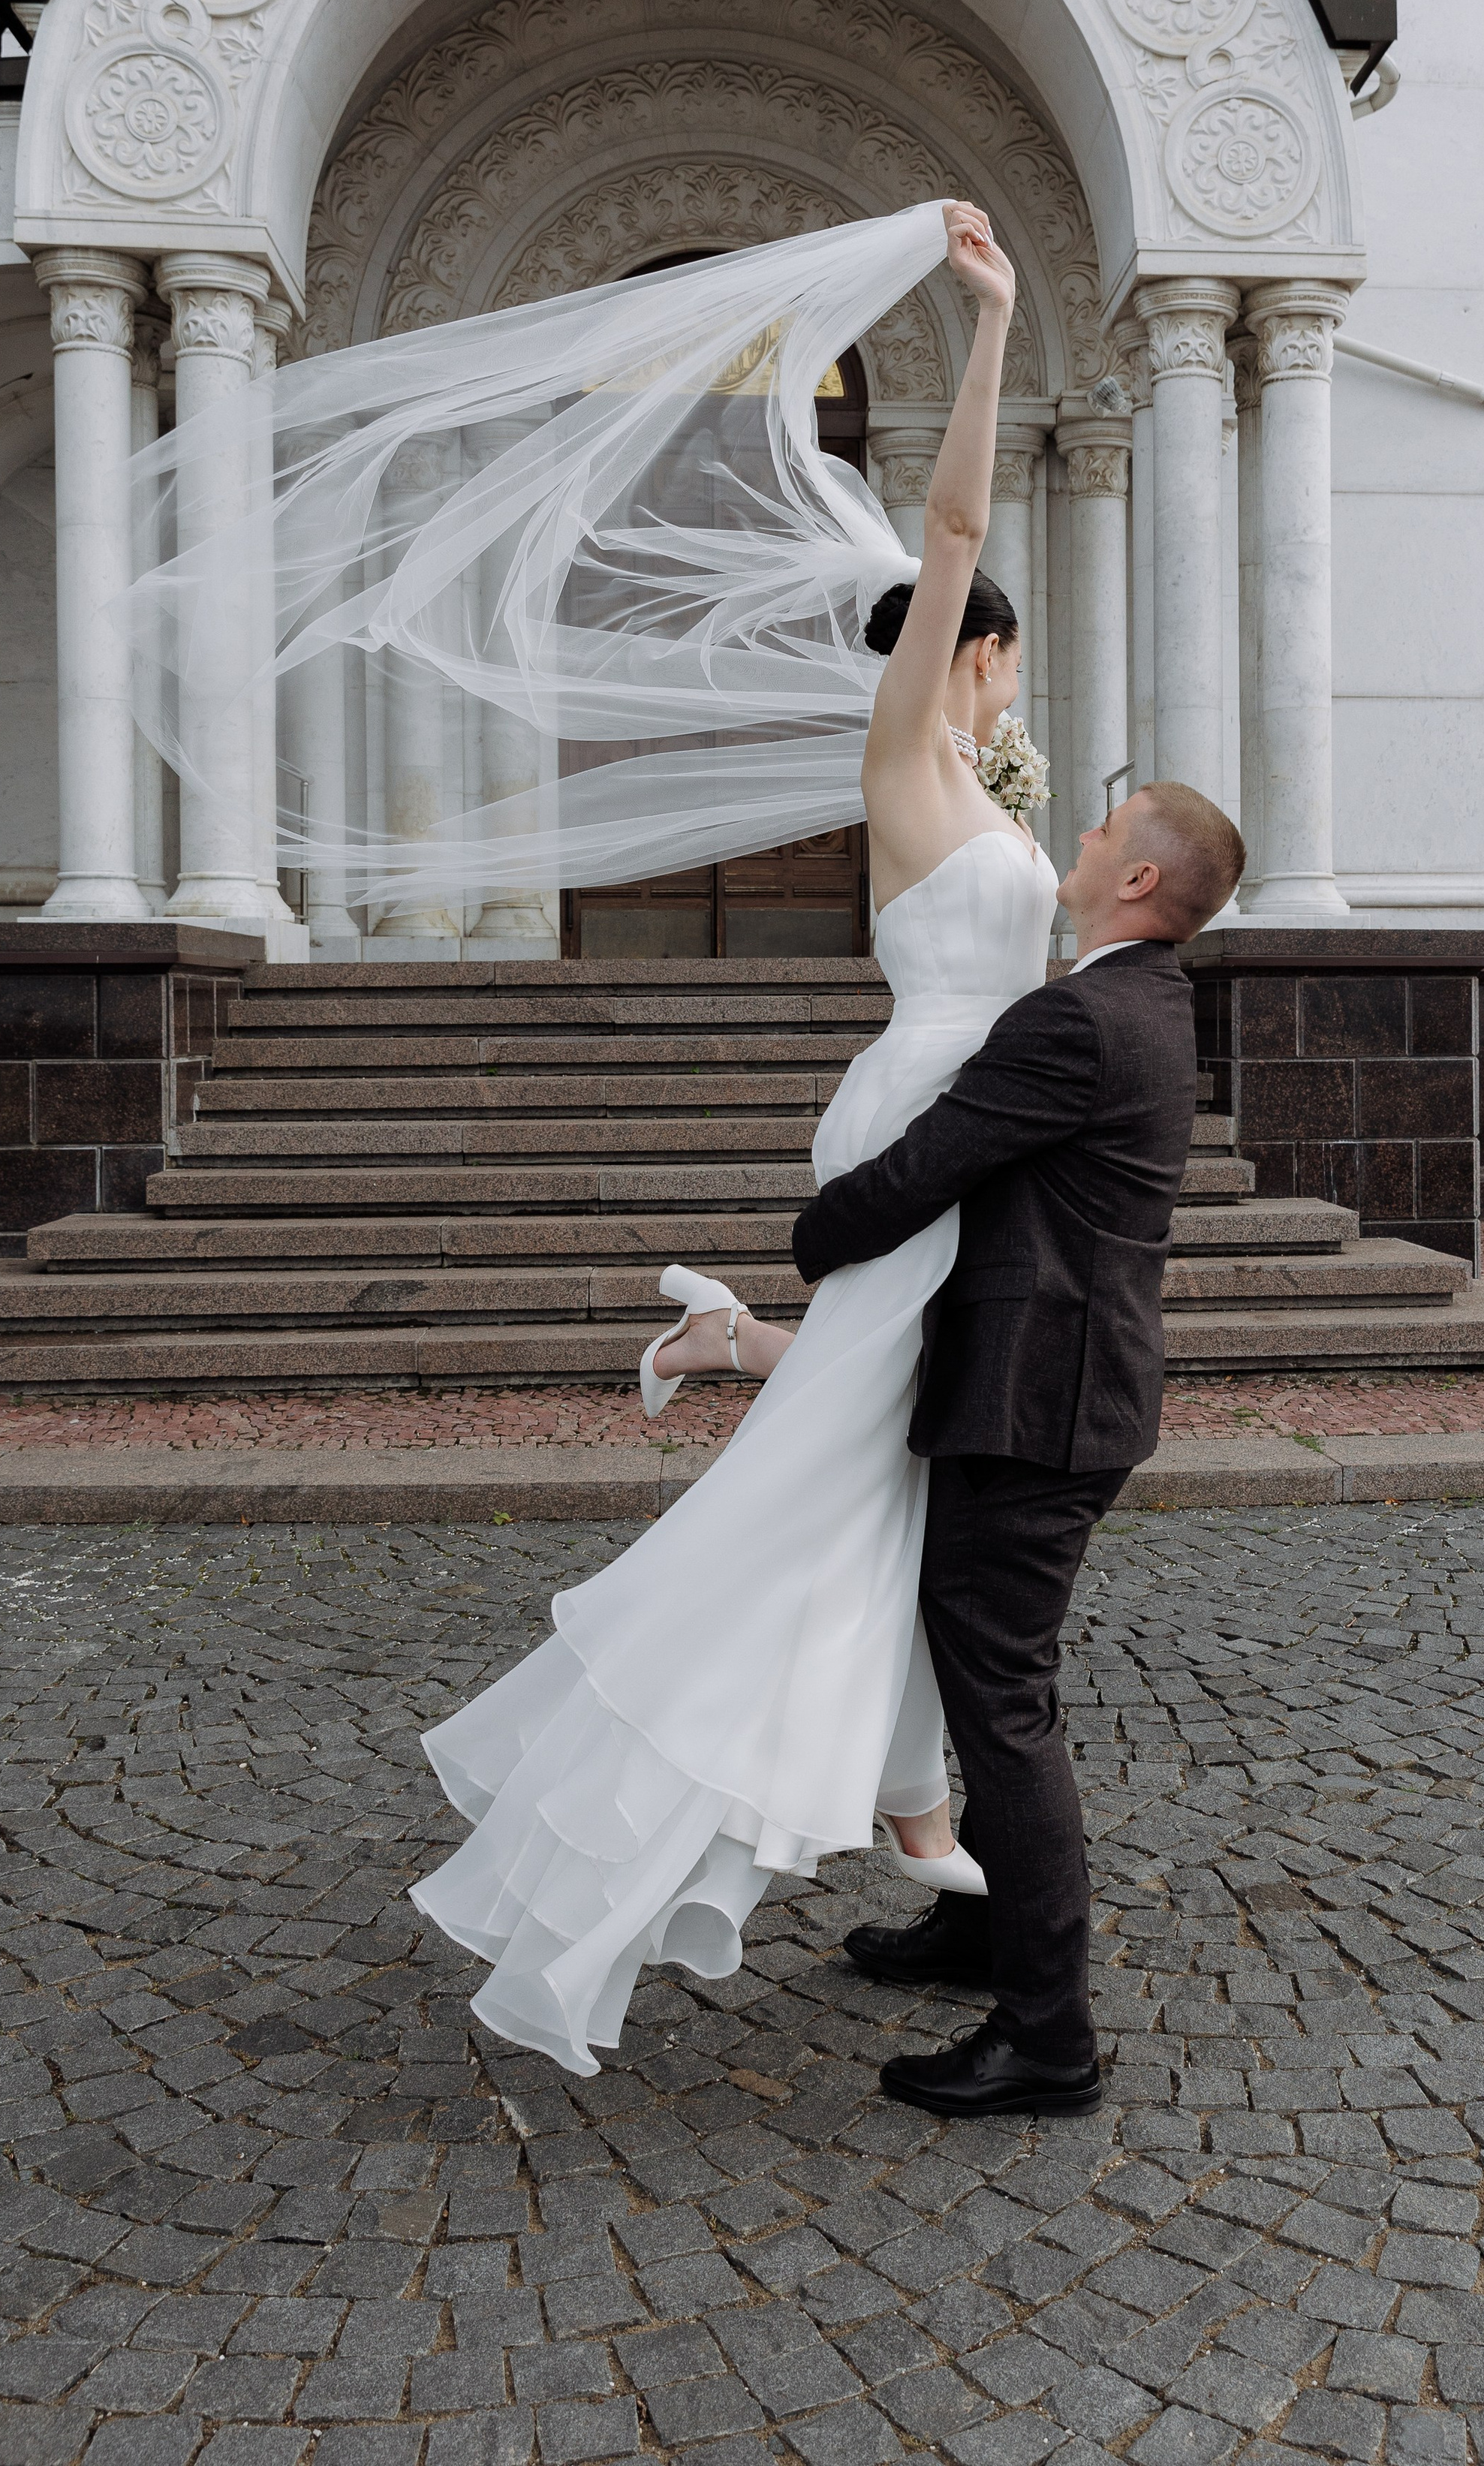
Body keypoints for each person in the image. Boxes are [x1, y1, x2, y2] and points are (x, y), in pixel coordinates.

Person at [410, 201, 1070, 2071]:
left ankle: (912, 1780)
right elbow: (952, 526)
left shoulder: (989, 783)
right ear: (969, 651)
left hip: (983, 1105)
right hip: (926, 1104)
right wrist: (989, 321)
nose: (1008, 674)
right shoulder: (908, 753)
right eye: (999, 652)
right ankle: (890, 1799)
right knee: (864, 1447)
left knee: (900, 1428)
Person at [790, 779, 1245, 2119]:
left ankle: (1049, 2035)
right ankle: (983, 1928)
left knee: (1004, 1701)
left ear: (1141, 879)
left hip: (1037, 1402)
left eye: (1105, 829)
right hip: (1058, 1387)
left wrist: (815, 1236)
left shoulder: (1078, 1019)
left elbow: (935, 1160)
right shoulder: (1142, 1003)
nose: (1080, 839)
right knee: (982, 1671)